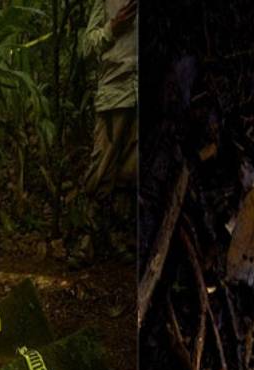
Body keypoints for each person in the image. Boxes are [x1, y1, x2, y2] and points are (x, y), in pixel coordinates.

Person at [82, 0, 138, 220]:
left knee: (131, 170)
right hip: (116, 90)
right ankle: (89, 233)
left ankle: (116, 235)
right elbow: (86, 47)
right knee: (102, 168)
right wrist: (112, 28)